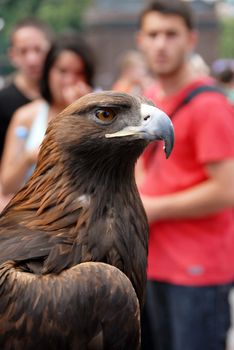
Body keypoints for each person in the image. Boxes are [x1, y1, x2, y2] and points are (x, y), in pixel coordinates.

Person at [135, 1, 234, 350]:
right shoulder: (150, 100)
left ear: (190, 40)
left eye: (171, 34)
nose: (161, 44)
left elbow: (227, 190)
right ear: (140, 40)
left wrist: (154, 208)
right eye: (153, 34)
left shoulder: (211, 105)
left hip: (197, 271)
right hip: (152, 265)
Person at [0, 32, 95, 198]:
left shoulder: (95, 117)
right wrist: (29, 156)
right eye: (62, 71)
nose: (69, 80)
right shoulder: (26, 116)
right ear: (48, 71)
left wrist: (83, 113)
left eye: (78, 73)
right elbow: (7, 184)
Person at [0, 17, 52, 161]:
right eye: (23, 51)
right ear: (13, 55)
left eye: (38, 49)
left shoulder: (61, 97)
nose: (32, 60)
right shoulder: (2, 102)